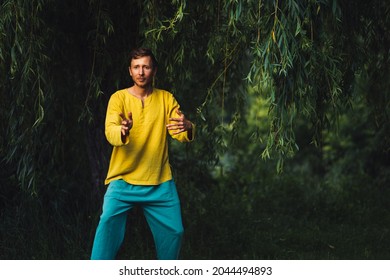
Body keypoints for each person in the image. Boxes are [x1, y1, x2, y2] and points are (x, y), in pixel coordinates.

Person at [91, 48, 194, 260]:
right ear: (130, 71)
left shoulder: (166, 99)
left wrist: (189, 126)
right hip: (123, 179)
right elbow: (110, 131)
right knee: (107, 224)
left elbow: (180, 132)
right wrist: (121, 130)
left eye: (146, 67)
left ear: (154, 70)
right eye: (136, 67)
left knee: (175, 231)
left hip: (158, 180)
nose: (141, 72)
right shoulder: (118, 98)